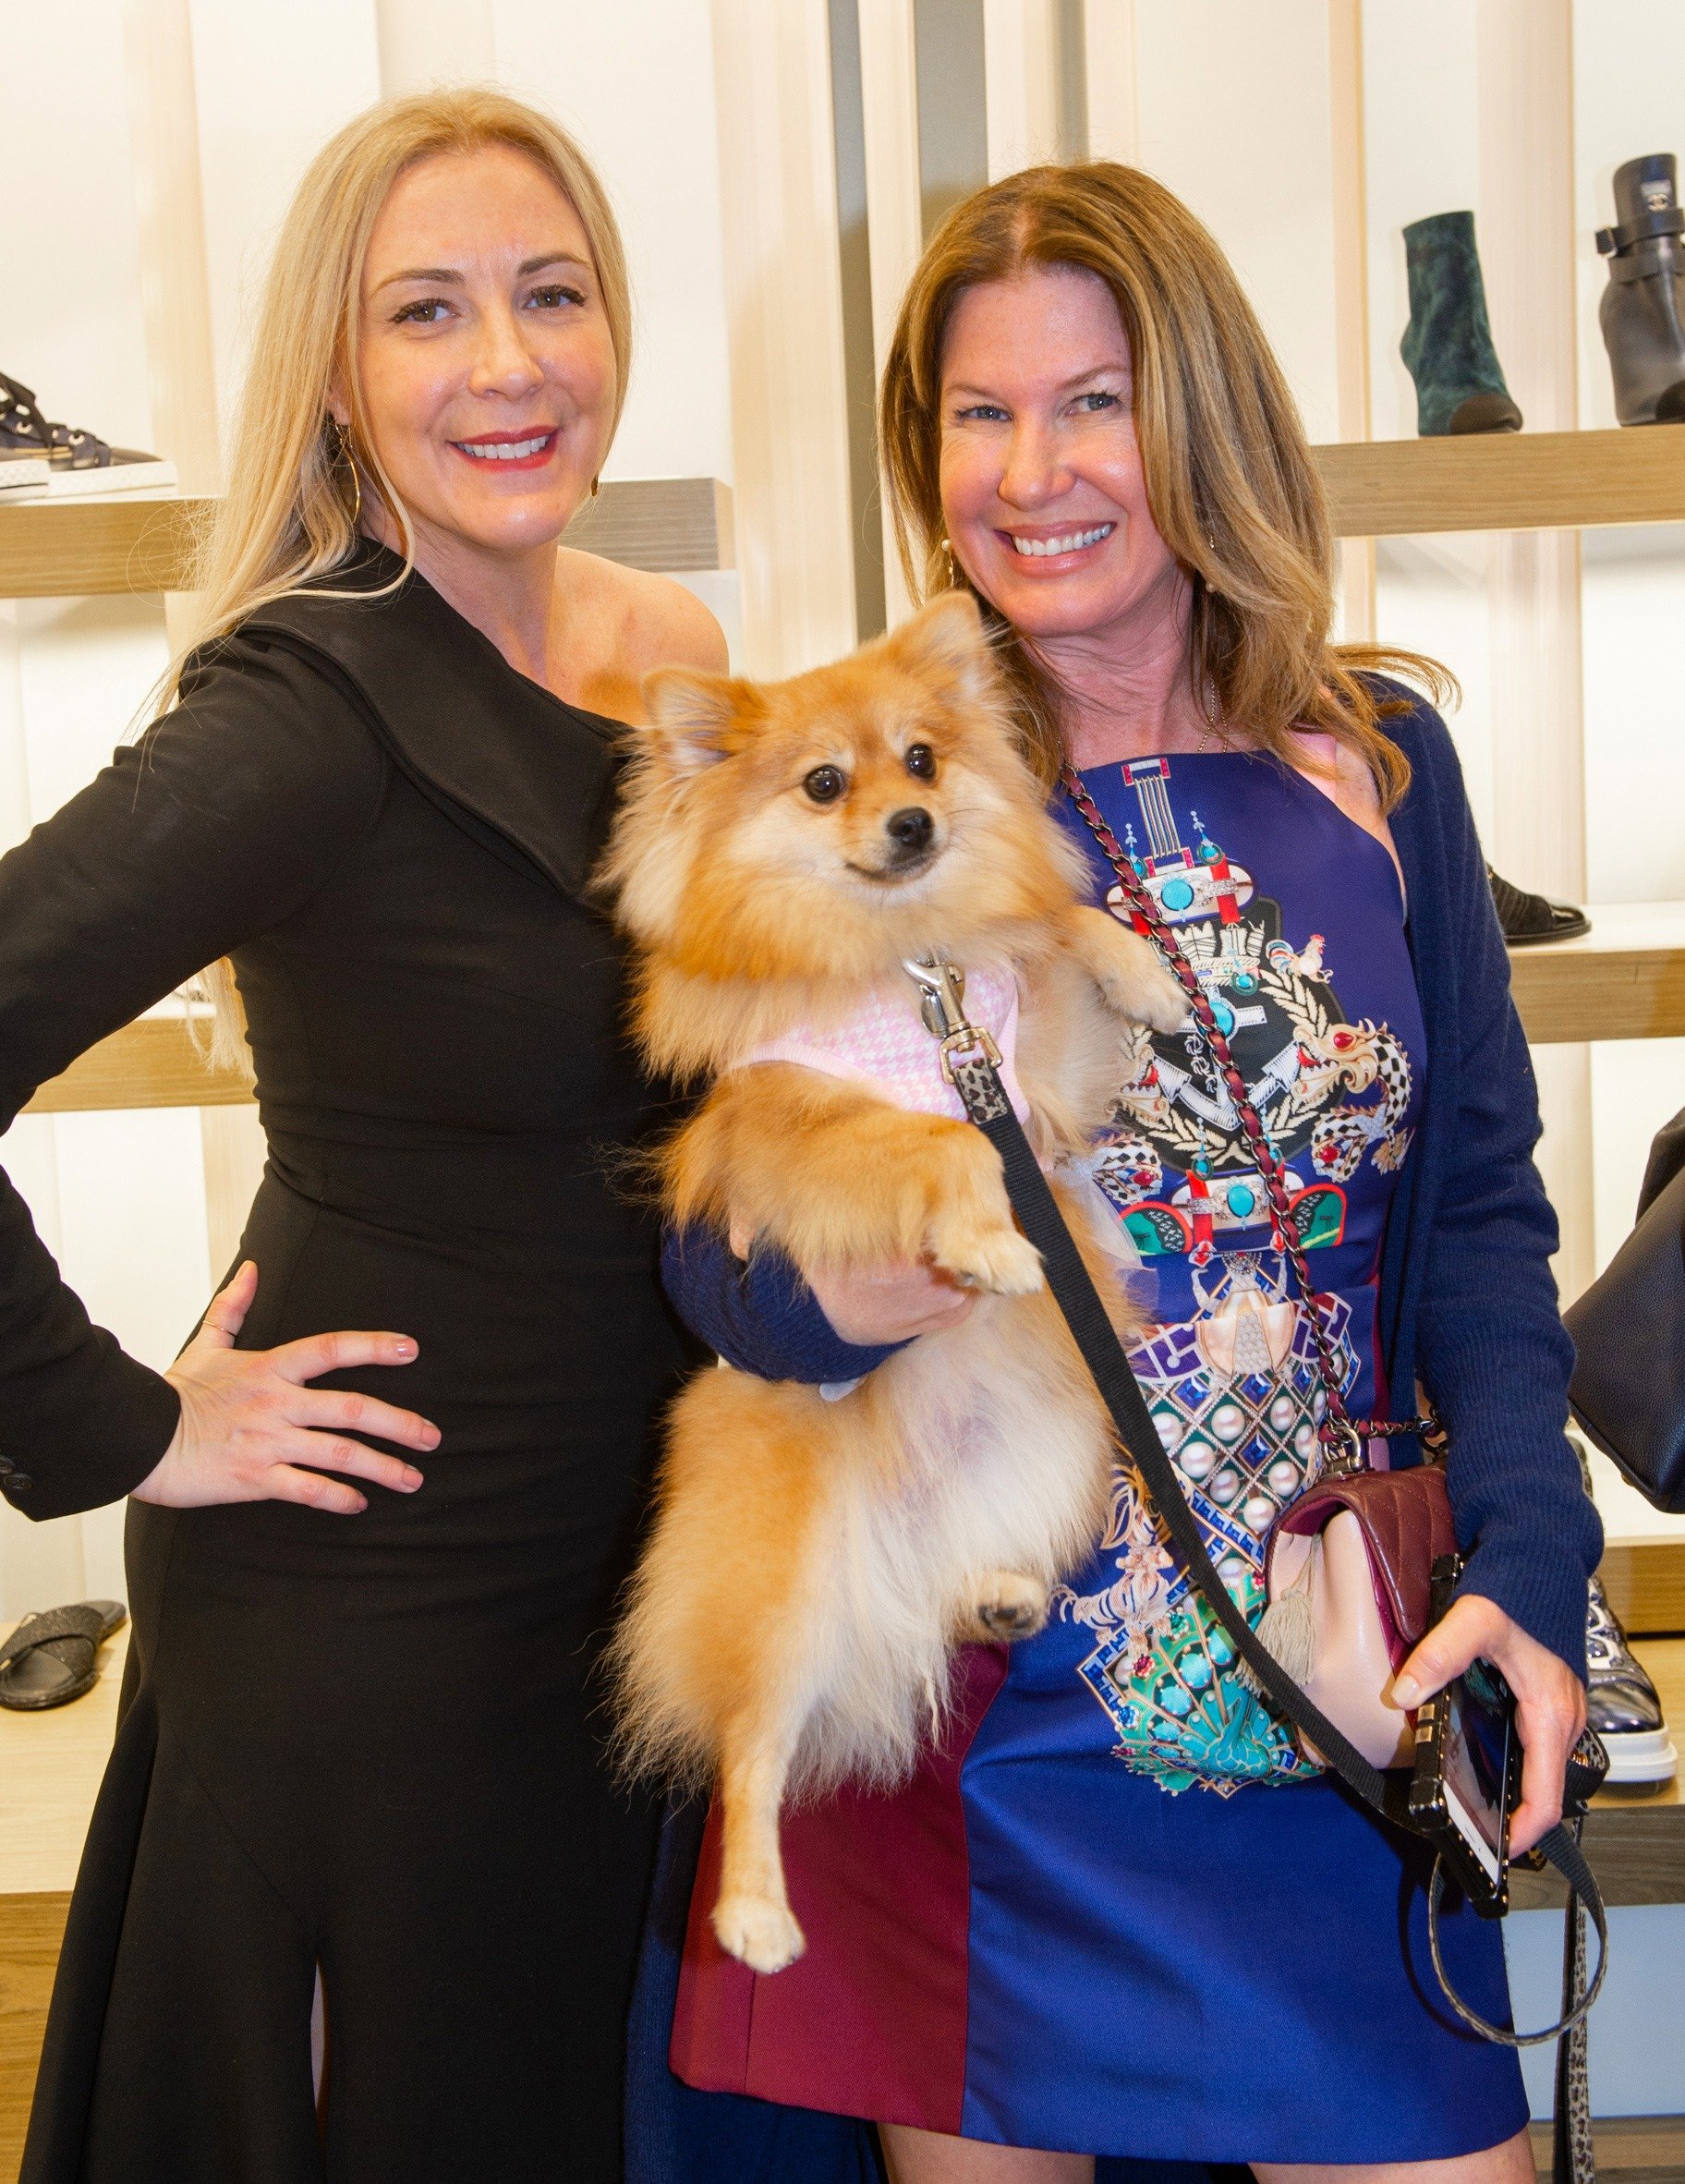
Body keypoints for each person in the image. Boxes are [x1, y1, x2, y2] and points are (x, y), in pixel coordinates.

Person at [652, 164, 1600, 2184]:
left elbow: (1489, 1217)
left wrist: (1532, 1561)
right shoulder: (884, 789)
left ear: (1200, 417)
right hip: (976, 1694)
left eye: (1095, 400)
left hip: (1328, 1671)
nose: (1035, 470)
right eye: (980, 415)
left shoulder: (1384, 768)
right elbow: (723, 1257)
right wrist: (861, 1278)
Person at [7, 88, 723, 2184]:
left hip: (633, 1581)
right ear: (337, 369)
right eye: (427, 312)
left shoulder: (665, 652)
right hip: (377, 1610)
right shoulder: (300, 713)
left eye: (550, 294)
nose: (508, 366)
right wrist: (123, 1427)